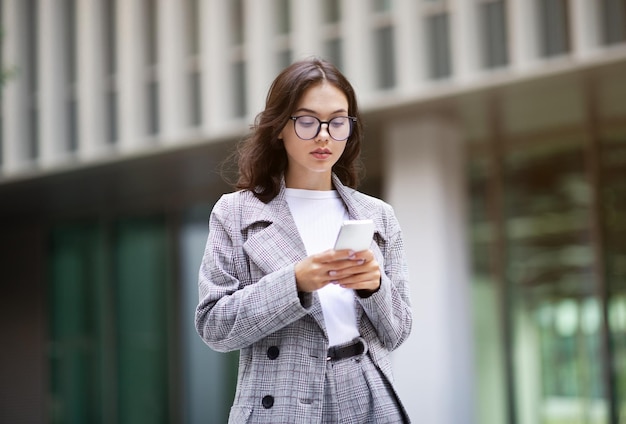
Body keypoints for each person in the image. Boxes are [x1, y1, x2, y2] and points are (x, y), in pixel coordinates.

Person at [195, 58, 413, 423]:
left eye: (338, 121)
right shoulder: (235, 212)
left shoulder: (376, 215)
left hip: (366, 395)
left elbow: (398, 332)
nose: (324, 134)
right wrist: (295, 283)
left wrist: (374, 287)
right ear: (279, 127)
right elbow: (214, 325)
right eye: (308, 121)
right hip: (280, 398)